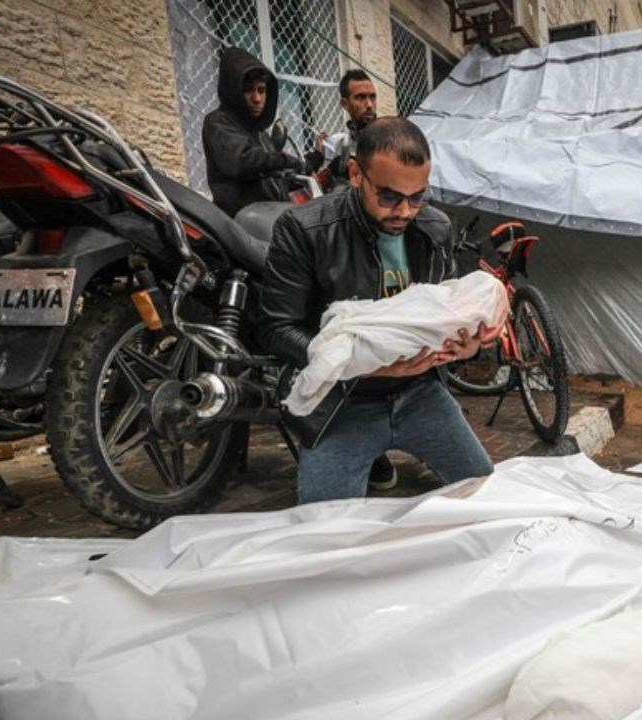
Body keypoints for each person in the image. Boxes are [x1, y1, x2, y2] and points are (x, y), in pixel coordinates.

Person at [257, 118, 496, 503]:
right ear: (355, 173)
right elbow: (275, 329)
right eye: (388, 197)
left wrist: (470, 347)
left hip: (420, 393)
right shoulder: (305, 229)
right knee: (324, 533)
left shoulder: (435, 229)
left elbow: (449, 311)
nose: (404, 210)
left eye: (417, 197)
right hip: (340, 403)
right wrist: (359, 362)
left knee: (490, 499)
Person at [201, 47, 323, 217]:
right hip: (242, 224)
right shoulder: (218, 122)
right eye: (248, 90)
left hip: (270, 219)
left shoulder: (260, 134)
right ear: (233, 90)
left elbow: (276, 179)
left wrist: (312, 162)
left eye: (261, 90)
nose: (257, 99)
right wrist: (285, 160)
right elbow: (242, 161)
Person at [319, 69, 379, 192]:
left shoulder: (392, 139)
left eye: (372, 97)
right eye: (360, 97)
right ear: (345, 104)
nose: (369, 105)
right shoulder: (343, 145)